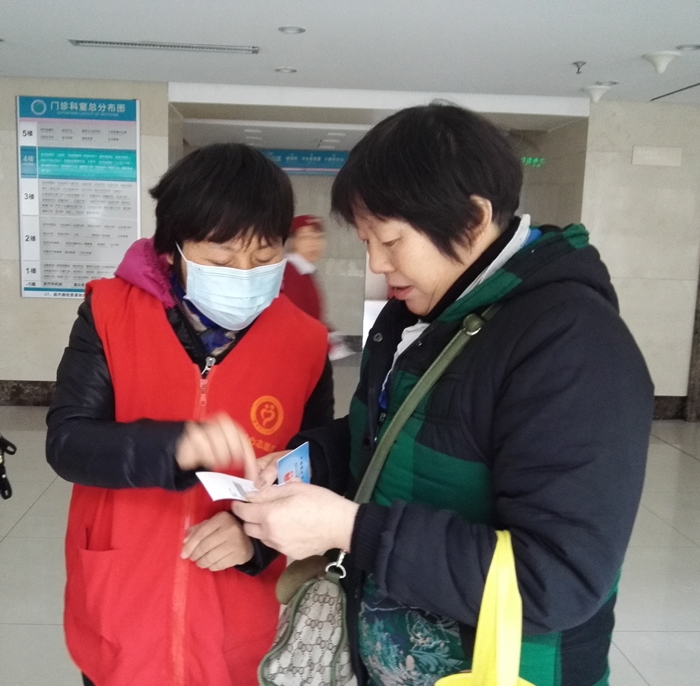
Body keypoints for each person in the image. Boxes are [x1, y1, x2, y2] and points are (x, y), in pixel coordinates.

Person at [234, 104, 654, 686]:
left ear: (473, 217)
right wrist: (309, 459)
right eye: (367, 241)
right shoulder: (419, 315)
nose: (377, 263)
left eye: (390, 240)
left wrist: (350, 529)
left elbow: (555, 580)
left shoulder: (573, 345)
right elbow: (393, 428)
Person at [46, 143, 333, 686]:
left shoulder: (305, 342)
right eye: (222, 258)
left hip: (235, 621)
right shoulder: (109, 312)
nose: (244, 272)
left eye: (264, 256)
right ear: (175, 245)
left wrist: (255, 539)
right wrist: (172, 447)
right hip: (123, 602)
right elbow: (67, 443)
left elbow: (312, 465)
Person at [283, 213, 354, 360]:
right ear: (292, 242)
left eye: (318, 237)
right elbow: (296, 322)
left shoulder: (304, 271)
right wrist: (328, 344)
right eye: (306, 237)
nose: (314, 243)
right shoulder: (289, 273)